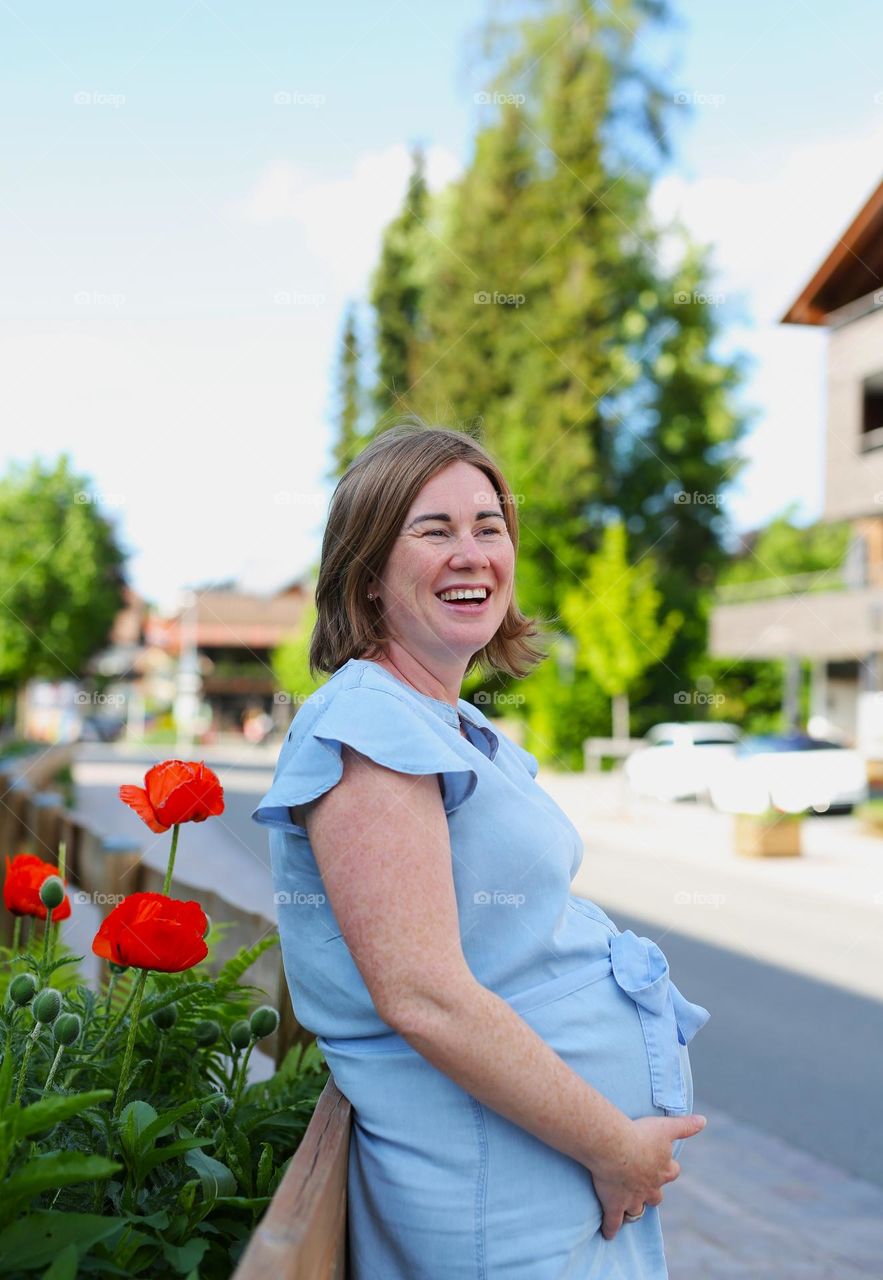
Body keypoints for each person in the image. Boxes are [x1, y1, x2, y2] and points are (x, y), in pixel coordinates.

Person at [252, 421, 710, 1278]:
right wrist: (617, 1146)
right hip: (496, 1189)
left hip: (533, 1171)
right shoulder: (369, 725)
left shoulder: (445, 719)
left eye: (488, 526)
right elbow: (424, 996)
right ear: (368, 571)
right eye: (433, 530)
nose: (472, 553)